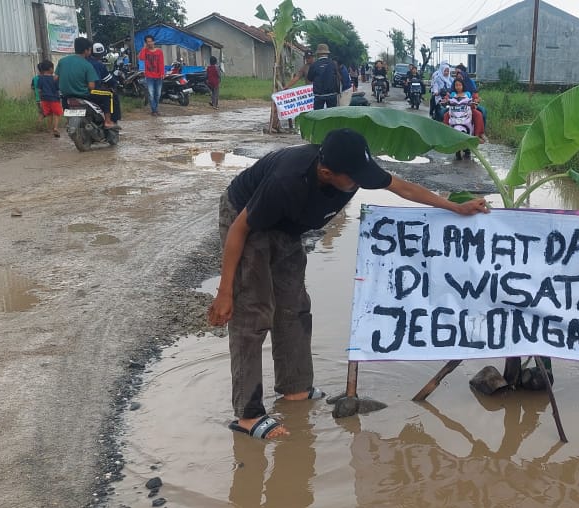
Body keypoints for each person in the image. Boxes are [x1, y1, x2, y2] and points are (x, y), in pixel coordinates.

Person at [207, 128, 491, 439]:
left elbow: (404, 188)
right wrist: (225, 292)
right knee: (254, 312)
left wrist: (456, 208)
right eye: (354, 179)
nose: (361, 182)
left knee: (295, 308)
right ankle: (248, 415)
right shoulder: (287, 181)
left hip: (287, 229)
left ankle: (295, 389)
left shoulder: (354, 167)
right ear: (326, 172)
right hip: (246, 221)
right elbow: (238, 229)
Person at [56, 37, 117, 129]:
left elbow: (55, 78)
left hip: (65, 95)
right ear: (86, 51)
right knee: (109, 95)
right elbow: (91, 86)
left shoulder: (62, 61)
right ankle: (107, 121)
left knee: (64, 99)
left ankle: (68, 121)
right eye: (89, 49)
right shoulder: (87, 65)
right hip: (83, 95)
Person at [87, 42, 121, 123]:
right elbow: (108, 80)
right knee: (111, 95)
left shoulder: (84, 62)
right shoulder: (99, 65)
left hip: (77, 91)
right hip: (92, 91)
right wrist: (115, 84)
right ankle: (110, 121)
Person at [32, 60, 62, 138]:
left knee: (49, 114)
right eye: (53, 68)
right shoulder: (54, 79)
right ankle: (55, 128)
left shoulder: (40, 78)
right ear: (50, 69)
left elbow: (39, 90)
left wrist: (41, 98)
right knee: (56, 114)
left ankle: (49, 129)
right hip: (54, 99)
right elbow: (58, 89)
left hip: (44, 99)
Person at [306, 44, 341, 110]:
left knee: (318, 116)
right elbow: (338, 77)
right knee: (332, 115)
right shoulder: (333, 64)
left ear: (318, 54)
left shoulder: (314, 65)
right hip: (332, 94)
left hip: (319, 95)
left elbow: (310, 79)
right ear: (327, 53)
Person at [138, 35, 165, 116]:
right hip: (149, 76)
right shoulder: (145, 51)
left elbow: (161, 63)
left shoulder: (159, 51)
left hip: (158, 76)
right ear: (146, 43)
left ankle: (155, 109)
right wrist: (144, 47)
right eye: (147, 42)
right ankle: (154, 110)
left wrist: (162, 73)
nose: (149, 43)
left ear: (154, 41)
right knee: (151, 93)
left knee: (158, 94)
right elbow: (141, 58)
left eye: (150, 41)